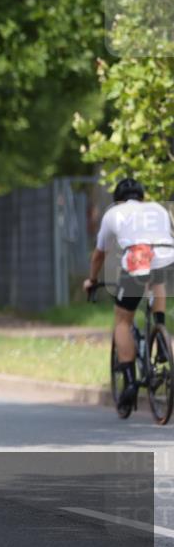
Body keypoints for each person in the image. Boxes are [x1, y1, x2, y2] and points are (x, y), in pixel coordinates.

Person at [83, 178, 174, 417]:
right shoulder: (158, 209)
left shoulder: (113, 213)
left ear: (118, 200)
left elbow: (99, 255)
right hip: (167, 256)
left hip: (138, 258)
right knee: (158, 280)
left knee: (123, 320)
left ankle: (131, 382)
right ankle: (161, 336)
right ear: (142, 197)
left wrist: (92, 280)